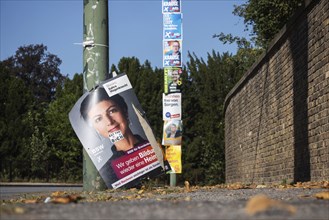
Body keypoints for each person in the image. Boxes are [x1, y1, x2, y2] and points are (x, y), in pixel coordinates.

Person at [80, 87, 147, 185]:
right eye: (98, 119)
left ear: (125, 112)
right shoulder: (106, 173)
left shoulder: (155, 148)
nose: (109, 121)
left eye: (112, 111)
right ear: (96, 129)